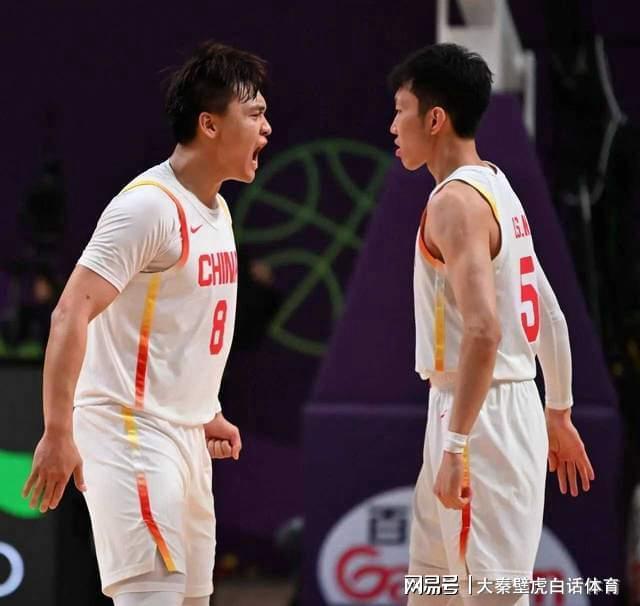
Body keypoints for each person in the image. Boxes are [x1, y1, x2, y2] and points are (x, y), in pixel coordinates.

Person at [23, 40, 272, 606]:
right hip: (128, 429)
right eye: (254, 113)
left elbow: (182, 328)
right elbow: (70, 311)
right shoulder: (148, 207)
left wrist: (205, 409)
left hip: (183, 435)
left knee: (190, 599)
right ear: (209, 124)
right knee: (153, 597)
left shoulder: (216, 208)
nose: (266, 128)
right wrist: (57, 432)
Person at [388, 43, 594, 605]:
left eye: (401, 111)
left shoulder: (455, 204)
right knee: (432, 587)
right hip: (476, 410)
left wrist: (457, 444)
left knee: (491, 597)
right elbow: (549, 313)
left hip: (480, 421)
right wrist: (559, 409)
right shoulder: (497, 185)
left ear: (435, 118)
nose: (393, 126)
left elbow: (484, 331)